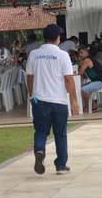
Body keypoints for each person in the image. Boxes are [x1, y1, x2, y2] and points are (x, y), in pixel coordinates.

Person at [27, 24, 78, 175]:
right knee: (60, 133)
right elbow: (69, 79)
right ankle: (61, 165)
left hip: (40, 100)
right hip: (59, 101)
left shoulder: (34, 54)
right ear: (57, 38)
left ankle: (40, 150)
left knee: (41, 131)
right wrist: (74, 100)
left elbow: (29, 77)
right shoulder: (63, 55)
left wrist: (32, 95)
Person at [77, 47, 102, 111]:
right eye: (79, 53)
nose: (80, 55)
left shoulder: (87, 60)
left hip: (100, 82)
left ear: (86, 51)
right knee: (82, 87)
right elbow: (84, 76)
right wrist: (80, 65)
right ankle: (94, 104)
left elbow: (80, 72)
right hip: (97, 81)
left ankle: (88, 107)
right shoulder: (88, 59)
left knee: (83, 90)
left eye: (81, 52)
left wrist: (80, 64)